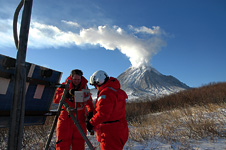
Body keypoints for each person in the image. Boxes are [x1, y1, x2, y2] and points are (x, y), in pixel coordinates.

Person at [87, 70, 129, 150]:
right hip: (121, 128)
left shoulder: (106, 93)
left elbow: (103, 114)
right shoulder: (116, 90)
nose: (95, 87)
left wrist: (91, 123)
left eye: (95, 85)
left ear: (99, 82)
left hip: (110, 132)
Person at [53, 69, 95, 150]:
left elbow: (89, 102)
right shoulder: (64, 86)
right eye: (75, 79)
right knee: (62, 143)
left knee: (79, 143)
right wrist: (66, 94)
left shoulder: (85, 88)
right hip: (65, 119)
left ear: (81, 78)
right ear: (71, 78)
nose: (77, 81)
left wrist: (90, 112)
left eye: (78, 79)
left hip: (80, 120)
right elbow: (55, 99)